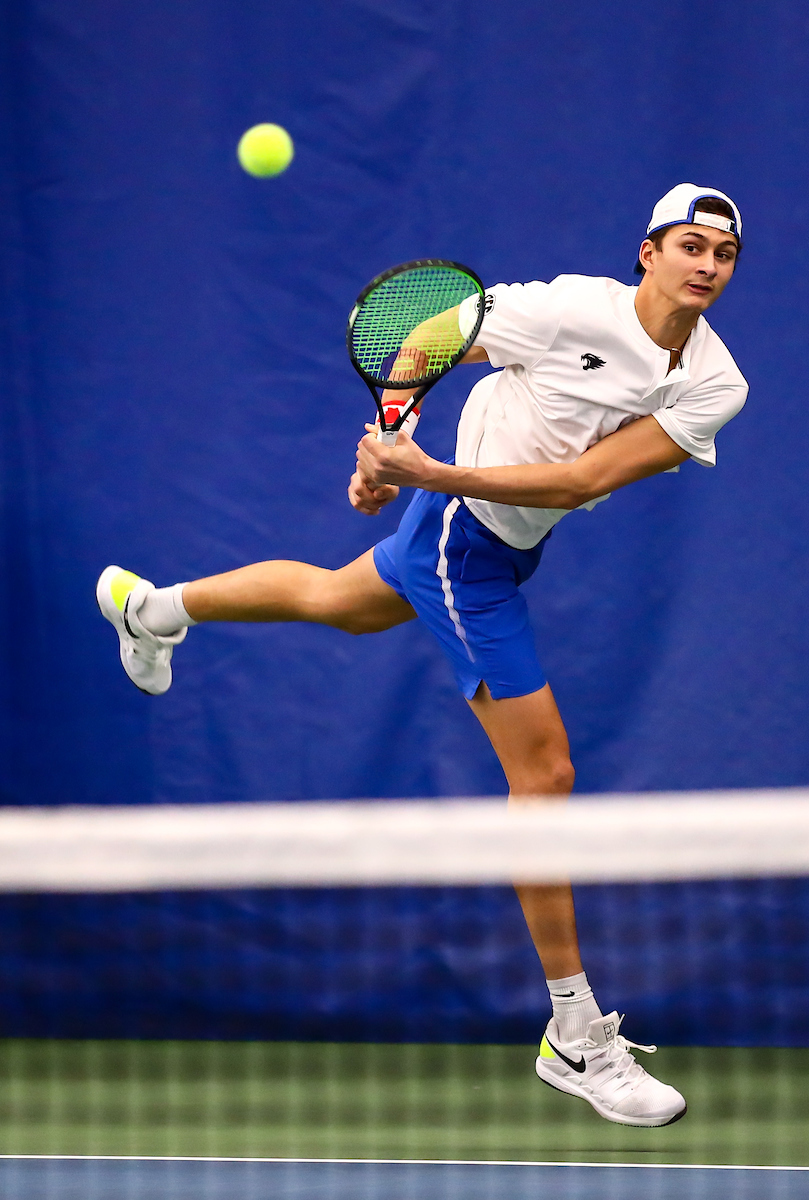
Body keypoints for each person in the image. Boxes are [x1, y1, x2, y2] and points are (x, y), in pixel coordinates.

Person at [97, 183, 747, 1128]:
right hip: (465, 544)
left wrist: (413, 467)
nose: (707, 266)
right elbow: (429, 335)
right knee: (546, 776)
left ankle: (153, 608)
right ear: (647, 252)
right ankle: (574, 1033)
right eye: (691, 245)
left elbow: (580, 479)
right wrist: (391, 447)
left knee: (339, 601)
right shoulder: (570, 308)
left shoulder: (715, 382)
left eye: (724, 256)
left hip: (497, 529)